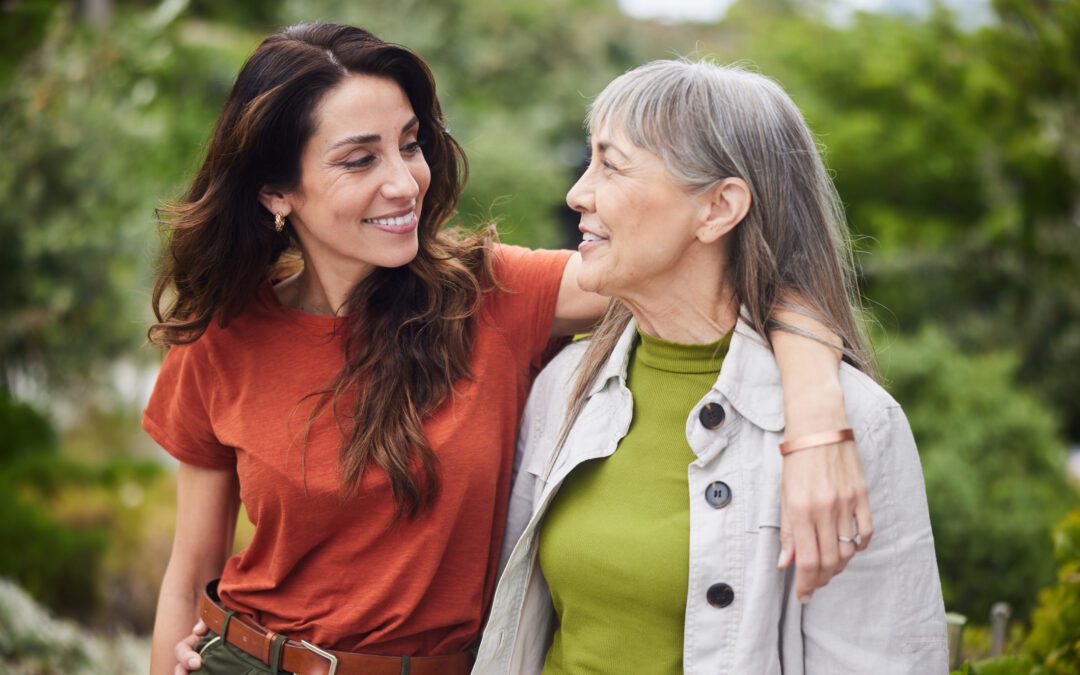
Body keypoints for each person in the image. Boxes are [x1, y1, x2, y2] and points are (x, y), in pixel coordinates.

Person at [147, 24, 873, 675]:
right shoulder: (221, 336)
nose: (404, 181)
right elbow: (191, 571)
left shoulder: (491, 295)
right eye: (359, 160)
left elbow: (738, 267)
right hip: (239, 659)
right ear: (277, 190)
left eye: (409, 144)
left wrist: (817, 423)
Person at [473, 60, 948, 675]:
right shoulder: (566, 388)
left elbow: (880, 660)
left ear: (719, 208)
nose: (578, 193)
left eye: (611, 165)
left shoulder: (856, 423)